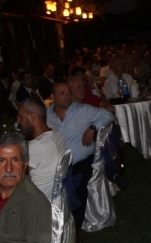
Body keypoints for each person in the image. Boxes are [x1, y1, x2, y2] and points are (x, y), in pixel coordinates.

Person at [46, 82, 114, 230]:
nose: (67, 96)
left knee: (78, 182)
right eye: (62, 93)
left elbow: (108, 114)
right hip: (57, 162)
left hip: (81, 159)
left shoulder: (82, 110)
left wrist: (92, 127)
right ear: (52, 97)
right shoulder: (46, 116)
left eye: (68, 92)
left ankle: (75, 228)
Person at [16, 98, 67, 201]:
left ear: (33, 117)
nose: (18, 121)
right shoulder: (57, 134)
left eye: (21, 117)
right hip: (56, 199)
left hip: (37, 202)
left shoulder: (36, 146)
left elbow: (17, 176)